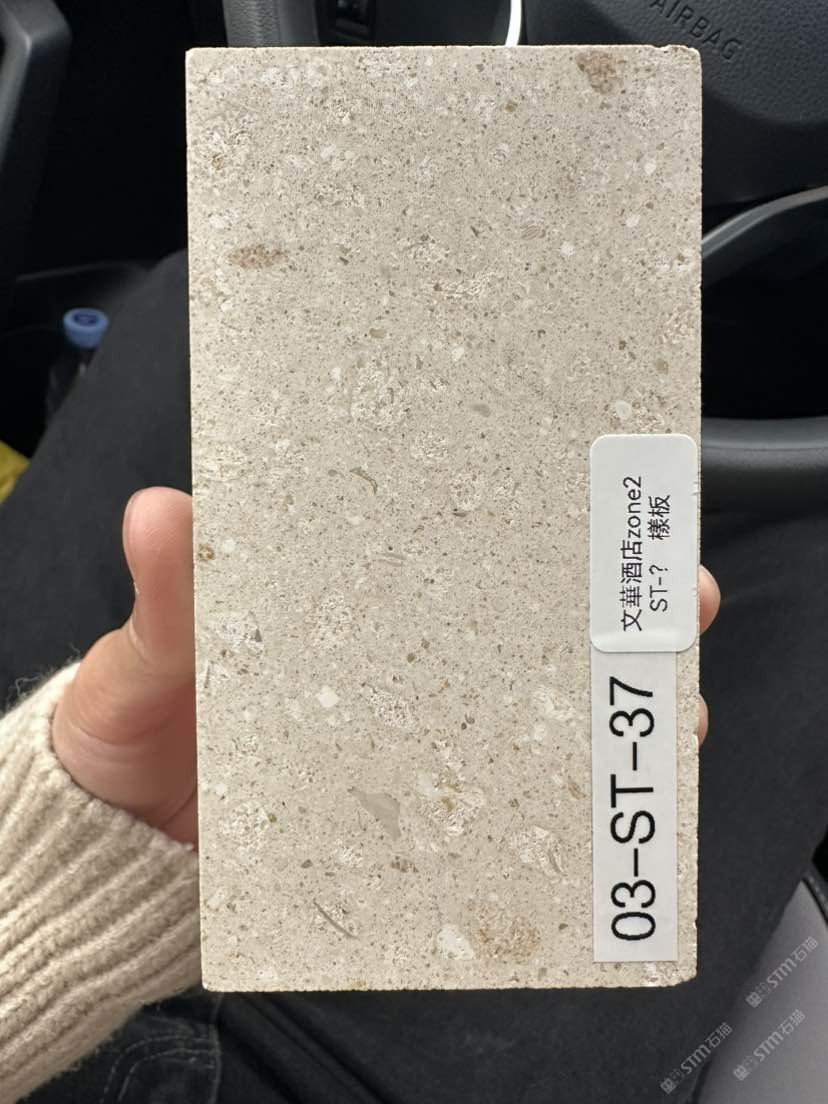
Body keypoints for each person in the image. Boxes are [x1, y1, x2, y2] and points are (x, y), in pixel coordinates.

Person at [0, 253, 826, 1104]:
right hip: (303, 1074)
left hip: (28, 865)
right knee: (807, 568)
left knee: (206, 299)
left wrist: (57, 875)